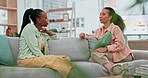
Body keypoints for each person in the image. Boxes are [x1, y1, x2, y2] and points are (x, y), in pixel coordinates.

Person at [17, 8, 88, 78]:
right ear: (38, 20)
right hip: (26, 60)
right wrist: (47, 59)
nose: (48, 20)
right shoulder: (29, 28)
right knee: (55, 60)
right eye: (46, 18)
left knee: (65, 58)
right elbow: (34, 49)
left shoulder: (41, 33)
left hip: (36, 58)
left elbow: (55, 37)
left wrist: (46, 31)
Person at [79, 7, 134, 75]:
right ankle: (114, 69)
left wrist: (105, 49)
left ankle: (113, 71)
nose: (100, 16)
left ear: (110, 17)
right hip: (111, 54)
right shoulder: (100, 30)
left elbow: (121, 44)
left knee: (94, 55)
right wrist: (83, 35)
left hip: (122, 55)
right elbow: (92, 36)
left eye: (103, 14)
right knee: (92, 58)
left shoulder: (115, 28)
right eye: (100, 14)